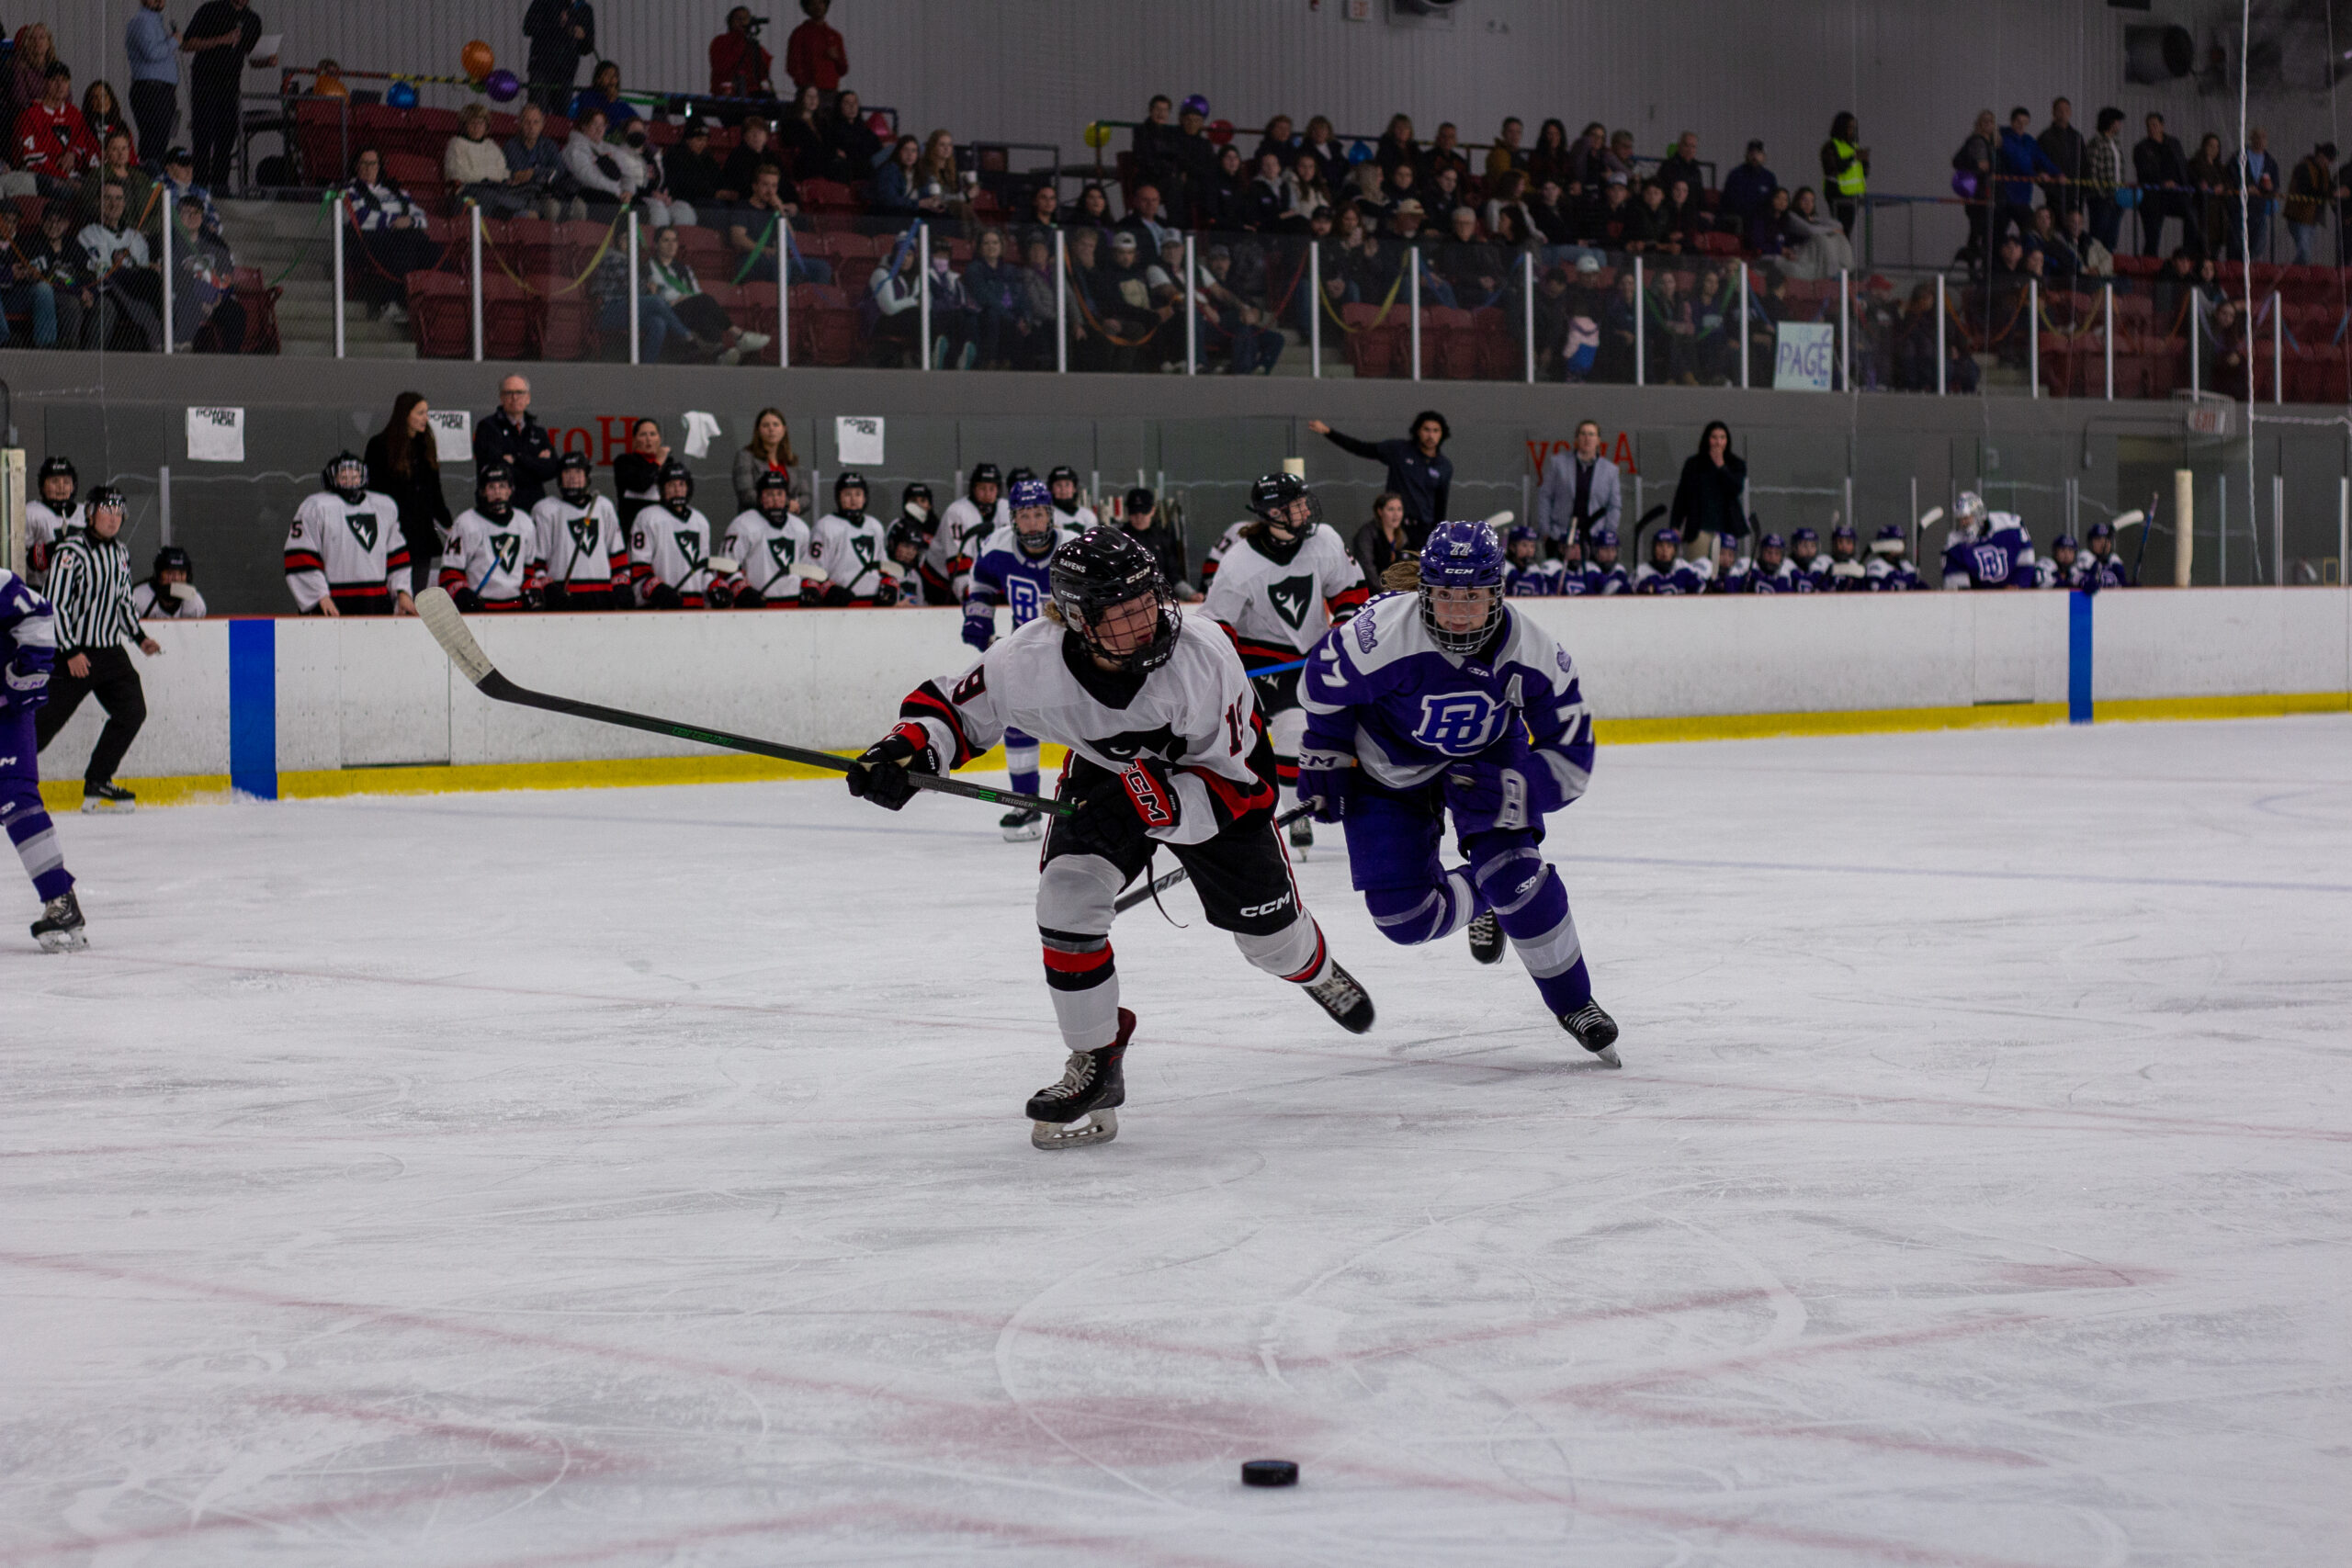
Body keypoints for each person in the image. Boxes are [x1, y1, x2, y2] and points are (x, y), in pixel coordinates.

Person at [846, 525, 1374, 1151]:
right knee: (1066, 900)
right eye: (1122, 613)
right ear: (1078, 619)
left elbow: (1248, 784)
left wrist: (1165, 805)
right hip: (1109, 777)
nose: (1146, 621)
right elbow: (956, 710)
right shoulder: (1029, 660)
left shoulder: (1204, 657)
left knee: (1272, 944)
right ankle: (1096, 1059)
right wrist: (906, 748)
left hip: (1211, 791)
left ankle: (1315, 970)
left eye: (1148, 599)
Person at [1296, 516, 1614, 1056]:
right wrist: (1328, 752)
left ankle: (1573, 1001)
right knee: (1403, 919)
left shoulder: (1534, 651)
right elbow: (1323, 682)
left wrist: (1517, 788)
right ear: (1425, 591)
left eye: (1473, 595)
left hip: (1487, 760)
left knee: (1517, 877)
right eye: (1445, 595)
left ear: (1497, 594)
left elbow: (1572, 756)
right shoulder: (1381, 634)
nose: (1460, 610)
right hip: (1385, 768)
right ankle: (1480, 901)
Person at [1204, 473, 1369, 854]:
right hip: (1259, 663)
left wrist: (1340, 635)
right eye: (1296, 504)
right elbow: (1218, 624)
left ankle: (1295, 815)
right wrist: (1226, 668)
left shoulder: (1325, 540)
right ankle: (1240, 816)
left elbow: (1349, 591)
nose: (1306, 509)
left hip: (1309, 657)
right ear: (1274, 513)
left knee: (1297, 733)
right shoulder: (1239, 561)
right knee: (1242, 745)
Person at [960, 477, 1080, 840]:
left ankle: (1096, 797)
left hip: (1073, 651)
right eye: (1024, 515)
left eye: (1039, 514)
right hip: (1026, 651)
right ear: (1013, 519)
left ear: (1051, 515)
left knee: (1090, 721)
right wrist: (978, 617)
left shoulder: (1074, 546)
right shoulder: (996, 547)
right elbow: (980, 580)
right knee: (1016, 720)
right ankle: (1027, 804)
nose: (1032, 522)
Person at [36, 487, 161, 814]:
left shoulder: (120, 552)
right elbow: (55, 605)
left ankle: (98, 780)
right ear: (90, 514)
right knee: (41, 725)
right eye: (108, 511)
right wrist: (71, 650)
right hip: (72, 655)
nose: (114, 519)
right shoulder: (70, 551)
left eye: (119, 513)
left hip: (110, 653)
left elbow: (122, 601)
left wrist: (139, 637)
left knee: (132, 712)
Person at [2, 563, 87, 949]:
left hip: (5, 713)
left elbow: (37, 611)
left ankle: (60, 899)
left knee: (15, 798)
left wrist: (26, 675)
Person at [286, 453, 413, 616]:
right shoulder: (315, 507)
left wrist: (402, 592)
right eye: (344, 476)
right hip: (333, 602)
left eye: (355, 476)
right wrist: (319, 597)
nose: (350, 480)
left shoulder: (383, 506)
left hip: (375, 601)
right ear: (331, 479)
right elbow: (301, 555)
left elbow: (397, 556)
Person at [179, 0, 272, 192]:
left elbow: (252, 59)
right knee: (204, 136)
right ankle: (199, 187)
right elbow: (187, 44)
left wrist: (267, 61)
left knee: (227, 137)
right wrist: (220, 40)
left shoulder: (252, 19)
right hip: (205, 81)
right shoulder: (210, 10)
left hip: (231, 84)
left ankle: (221, 187)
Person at [362, 393, 450, 594]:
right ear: (405, 414)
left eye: (426, 413)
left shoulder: (426, 444)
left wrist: (447, 522)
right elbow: (373, 491)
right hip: (392, 528)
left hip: (421, 531)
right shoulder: (379, 446)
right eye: (420, 413)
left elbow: (435, 490)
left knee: (418, 589)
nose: (425, 418)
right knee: (392, 588)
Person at [1306, 412, 1451, 528]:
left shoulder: (1444, 466)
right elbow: (1361, 448)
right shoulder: (1399, 450)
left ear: (1442, 434)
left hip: (1424, 529)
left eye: (1436, 431)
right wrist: (1329, 432)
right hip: (1396, 526)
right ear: (1418, 431)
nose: (1431, 435)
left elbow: (1440, 504)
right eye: (1426, 429)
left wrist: (1438, 534)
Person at [529, 451, 630, 609]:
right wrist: (547, 586)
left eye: (578, 471)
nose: (573, 477)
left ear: (587, 476)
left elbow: (617, 554)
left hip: (602, 594)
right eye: (567, 472)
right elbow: (537, 561)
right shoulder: (546, 509)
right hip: (564, 595)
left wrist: (621, 583)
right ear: (560, 478)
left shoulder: (604, 506)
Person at [342, 149, 433, 324]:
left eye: (373, 164)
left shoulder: (398, 192)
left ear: (379, 166)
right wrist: (394, 220)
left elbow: (422, 219)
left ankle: (432, 308)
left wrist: (410, 222)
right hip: (368, 242)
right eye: (364, 164)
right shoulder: (349, 191)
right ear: (356, 166)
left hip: (404, 237)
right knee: (402, 246)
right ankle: (392, 303)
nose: (369, 168)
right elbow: (361, 218)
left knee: (432, 249)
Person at [78, 179, 164, 352]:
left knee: (157, 281)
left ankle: (167, 341)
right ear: (98, 202)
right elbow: (104, 272)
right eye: (107, 198)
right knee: (150, 279)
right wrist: (144, 271)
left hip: (137, 295)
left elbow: (144, 273)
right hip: (108, 291)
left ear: (124, 203)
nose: (113, 204)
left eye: (118, 198)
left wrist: (147, 270)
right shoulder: (88, 233)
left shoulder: (136, 236)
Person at [438, 463, 537, 612]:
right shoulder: (466, 523)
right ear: (482, 491)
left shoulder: (524, 521)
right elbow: (449, 573)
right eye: (491, 487)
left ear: (510, 490)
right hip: (481, 611)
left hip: (518, 612)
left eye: (502, 486)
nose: (497, 492)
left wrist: (533, 589)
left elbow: (529, 570)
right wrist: (462, 594)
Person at [719, 466, 815, 609]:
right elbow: (725, 566)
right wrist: (744, 591)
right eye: (769, 494)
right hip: (757, 608)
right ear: (760, 497)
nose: (776, 500)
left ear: (787, 497)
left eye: (780, 494)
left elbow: (806, 566)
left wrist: (809, 587)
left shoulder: (800, 528)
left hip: (794, 608)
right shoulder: (743, 525)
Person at [627, 457, 717, 609]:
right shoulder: (647, 517)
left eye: (681, 484)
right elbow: (638, 569)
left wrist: (713, 588)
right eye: (671, 485)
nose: (677, 490)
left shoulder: (700, 521)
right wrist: (657, 590)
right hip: (659, 610)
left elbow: (704, 570)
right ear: (662, 489)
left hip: (695, 609)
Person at [808, 470, 897, 607]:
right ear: (838, 497)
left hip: (873, 605)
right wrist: (829, 589)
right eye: (847, 494)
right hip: (840, 608)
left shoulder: (875, 526)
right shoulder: (825, 526)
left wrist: (889, 583)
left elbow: (882, 564)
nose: (853, 500)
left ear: (865, 497)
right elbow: (812, 569)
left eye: (858, 494)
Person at [165, 192, 242, 351]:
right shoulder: (169, 241)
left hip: (213, 298)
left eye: (197, 213)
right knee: (187, 301)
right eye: (187, 213)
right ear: (177, 217)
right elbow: (174, 276)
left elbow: (227, 274)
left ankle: (231, 357)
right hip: (182, 298)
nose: (193, 217)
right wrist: (202, 298)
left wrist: (216, 298)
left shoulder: (216, 243)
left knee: (235, 311)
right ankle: (182, 345)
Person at [922, 462, 1006, 604]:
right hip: (940, 583)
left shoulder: (1006, 509)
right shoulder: (957, 512)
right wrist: (969, 595)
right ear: (973, 489)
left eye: (992, 488)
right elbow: (957, 560)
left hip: (977, 578)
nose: (987, 494)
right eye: (982, 488)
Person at [475, 377, 563, 511]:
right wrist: (535, 463)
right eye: (509, 393)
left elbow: (551, 469)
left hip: (534, 508)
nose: (514, 397)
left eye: (519, 393)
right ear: (501, 398)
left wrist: (517, 458)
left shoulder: (537, 431)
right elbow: (496, 469)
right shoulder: (487, 428)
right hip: (499, 509)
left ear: (528, 398)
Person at [1535, 420, 1622, 554]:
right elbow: (1545, 497)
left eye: (1592, 434)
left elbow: (1614, 506)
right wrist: (1546, 530)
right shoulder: (1558, 464)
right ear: (1576, 438)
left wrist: (1607, 534)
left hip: (1594, 538)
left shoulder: (1610, 470)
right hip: (1560, 535)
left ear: (1598, 440)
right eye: (1583, 434)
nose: (1587, 439)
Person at [15, 62, 102, 193]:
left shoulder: (74, 113)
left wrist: (73, 153)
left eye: (64, 80)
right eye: (54, 80)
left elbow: (86, 144)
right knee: (71, 193)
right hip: (41, 177)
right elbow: (33, 160)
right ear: (45, 83)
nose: (60, 85)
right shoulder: (30, 114)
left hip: (75, 177)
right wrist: (65, 179)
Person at [1668, 422, 1748, 551]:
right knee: (1700, 566)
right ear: (1707, 439)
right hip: (1699, 530)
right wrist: (1675, 525)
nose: (1718, 442)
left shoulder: (1735, 464)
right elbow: (1682, 496)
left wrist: (1722, 466)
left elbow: (1736, 488)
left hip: (1726, 530)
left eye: (1722, 438)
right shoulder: (1694, 464)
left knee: (1722, 569)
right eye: (1714, 437)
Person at [503, 103, 582, 223]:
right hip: (528, 195)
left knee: (580, 206)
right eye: (527, 122)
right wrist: (546, 173)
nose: (531, 127)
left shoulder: (549, 145)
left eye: (536, 122)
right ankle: (548, 241)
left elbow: (559, 171)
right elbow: (518, 175)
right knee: (552, 207)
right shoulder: (511, 146)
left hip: (553, 191)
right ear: (520, 124)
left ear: (542, 125)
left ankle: (577, 242)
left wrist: (534, 172)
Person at [1940, 491, 2038, 590]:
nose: (1963, 523)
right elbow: (1958, 585)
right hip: (1979, 600)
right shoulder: (1954, 543)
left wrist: (2019, 584)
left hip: (2015, 596)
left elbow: (2026, 558)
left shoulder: (2010, 526)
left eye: (1966, 518)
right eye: (1960, 519)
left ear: (1978, 514)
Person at [447, 104, 528, 219]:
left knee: (518, 194)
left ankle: (518, 216)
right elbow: (459, 174)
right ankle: (515, 215)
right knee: (491, 197)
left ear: (486, 125)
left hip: (495, 188)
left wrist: (490, 178)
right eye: (472, 123)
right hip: (468, 193)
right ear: (464, 125)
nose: (477, 127)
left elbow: (503, 172)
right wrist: (488, 178)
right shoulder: (456, 144)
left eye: (480, 123)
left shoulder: (491, 146)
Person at [126, 0, 181, 163]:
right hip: (152, 90)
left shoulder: (155, 21)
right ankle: (151, 183)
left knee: (159, 144)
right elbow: (151, 53)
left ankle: (155, 183)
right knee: (153, 145)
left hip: (160, 90)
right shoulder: (143, 21)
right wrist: (174, 41)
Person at [2132, 113, 2195, 258]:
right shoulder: (2141, 148)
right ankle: (2150, 263)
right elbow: (2143, 172)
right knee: (2152, 235)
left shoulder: (2174, 144)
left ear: (2162, 126)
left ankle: (2187, 257)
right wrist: (2162, 182)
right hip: (2153, 196)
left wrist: (2190, 183)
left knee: (2192, 216)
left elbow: (2183, 166)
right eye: (2148, 126)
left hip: (2175, 193)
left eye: (2154, 125)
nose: (2151, 128)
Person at [1116, 488, 1193, 600]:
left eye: (1144, 512)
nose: (1139, 517)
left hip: (1160, 597)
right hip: (1129, 598)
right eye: (1134, 512)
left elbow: (1173, 575)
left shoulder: (1162, 538)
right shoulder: (1119, 539)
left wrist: (1190, 594)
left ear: (1152, 510)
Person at [522, 0, 595, 114]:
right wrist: (557, 23)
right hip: (542, 66)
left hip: (566, 71)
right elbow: (528, 27)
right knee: (538, 109)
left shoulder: (584, 9)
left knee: (562, 115)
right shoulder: (543, 3)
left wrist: (583, 36)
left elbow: (587, 48)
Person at [24, 458, 84, 593]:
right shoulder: (31, 512)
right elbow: (15, 560)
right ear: (42, 486)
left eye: (66, 482)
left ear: (74, 486)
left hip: (78, 593)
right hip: (41, 592)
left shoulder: (85, 514)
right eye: (54, 481)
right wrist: (39, 556)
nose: (61, 487)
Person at [733, 409, 800, 514]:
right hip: (755, 521)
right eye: (765, 425)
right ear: (758, 431)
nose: (771, 429)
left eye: (776, 424)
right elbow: (746, 494)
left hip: (787, 523)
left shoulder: (791, 459)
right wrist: (784, 503)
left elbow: (806, 495)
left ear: (784, 429)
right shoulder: (745, 456)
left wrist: (796, 505)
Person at [1781, 186, 1854, 280]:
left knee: (1839, 237)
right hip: (1799, 251)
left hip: (1813, 252)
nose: (1808, 204)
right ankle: (1832, 273)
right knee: (1821, 238)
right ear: (1797, 201)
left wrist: (1814, 219)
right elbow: (1810, 230)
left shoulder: (1812, 218)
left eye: (1811, 201)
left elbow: (1839, 225)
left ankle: (1847, 269)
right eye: (1804, 200)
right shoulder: (1791, 216)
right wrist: (1831, 230)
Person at [2084, 108, 2128, 260]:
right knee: (2098, 236)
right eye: (2118, 122)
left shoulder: (2116, 143)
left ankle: (2106, 269)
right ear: (2111, 122)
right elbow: (2092, 171)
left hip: (2116, 198)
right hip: (2101, 198)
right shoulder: (2097, 142)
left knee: (2111, 238)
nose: (2120, 125)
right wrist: (2102, 194)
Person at [2285, 143, 2339, 267]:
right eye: (2328, 160)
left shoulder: (2324, 171)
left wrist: (2334, 191)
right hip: (2298, 216)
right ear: (2321, 156)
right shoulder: (2304, 167)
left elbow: (2328, 187)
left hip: (2311, 218)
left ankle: (2295, 274)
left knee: (2305, 252)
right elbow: (2307, 189)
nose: (2329, 163)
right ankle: (2291, 274)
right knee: (2304, 253)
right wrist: (2327, 194)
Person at [613, 416, 670, 530]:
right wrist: (657, 463)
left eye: (653, 434)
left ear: (659, 439)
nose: (648, 439)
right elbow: (640, 484)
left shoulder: (668, 465)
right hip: (632, 528)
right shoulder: (624, 462)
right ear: (634, 440)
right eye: (643, 435)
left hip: (662, 528)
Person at [709, 7, 775, 102]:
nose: (742, 22)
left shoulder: (751, 43)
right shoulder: (721, 41)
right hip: (728, 94)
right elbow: (721, 66)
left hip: (753, 94)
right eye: (738, 19)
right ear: (730, 21)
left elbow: (763, 69)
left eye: (745, 19)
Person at [1819, 111, 1867, 237]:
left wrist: (1865, 161)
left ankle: (1843, 253)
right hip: (1838, 193)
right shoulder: (1831, 146)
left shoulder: (1854, 146)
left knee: (1847, 231)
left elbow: (1863, 173)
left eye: (1854, 127)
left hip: (1854, 195)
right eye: (1850, 127)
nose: (1853, 131)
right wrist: (1853, 158)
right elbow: (1833, 169)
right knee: (1839, 230)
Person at [786, 0, 848, 94]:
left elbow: (843, 69)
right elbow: (792, 66)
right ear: (807, 7)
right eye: (813, 3)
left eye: (821, 3)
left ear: (826, 5)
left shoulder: (834, 36)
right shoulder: (799, 34)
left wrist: (837, 58)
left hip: (831, 91)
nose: (817, 7)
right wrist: (804, 85)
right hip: (808, 91)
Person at [2039, 98, 2086, 220]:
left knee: (2074, 227)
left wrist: (2084, 188)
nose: (2063, 113)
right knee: (2056, 225)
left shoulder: (2077, 137)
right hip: (2054, 192)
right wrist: (2048, 185)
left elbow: (2085, 163)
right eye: (2059, 110)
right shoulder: (2046, 137)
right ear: (2053, 112)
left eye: (2066, 110)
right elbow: (2038, 163)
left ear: (2070, 112)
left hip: (2075, 191)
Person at [1719, 141, 1778, 234]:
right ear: (1747, 155)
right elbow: (1729, 201)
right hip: (1741, 218)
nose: (1755, 156)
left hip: (1762, 219)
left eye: (1758, 153)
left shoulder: (1769, 178)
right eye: (1752, 153)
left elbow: (1774, 201)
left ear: (1764, 156)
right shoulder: (1736, 175)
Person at [132, 546, 206, 620]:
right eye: (170, 573)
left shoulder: (194, 602)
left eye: (181, 573)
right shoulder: (137, 597)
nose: (176, 579)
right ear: (158, 575)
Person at [566, 60, 639, 134]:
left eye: (615, 76)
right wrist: (611, 102)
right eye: (608, 75)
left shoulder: (619, 102)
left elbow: (635, 119)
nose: (612, 80)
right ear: (598, 79)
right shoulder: (587, 96)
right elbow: (597, 122)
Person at [1633, 526, 1701, 593]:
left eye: (1669, 546)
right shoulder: (1642, 571)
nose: (1665, 550)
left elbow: (1700, 587)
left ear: (1674, 550)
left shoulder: (1683, 567)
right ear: (1653, 549)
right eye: (1660, 545)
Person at [1502, 525, 1565, 597]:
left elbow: (1545, 597)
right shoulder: (1504, 570)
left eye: (1532, 546)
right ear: (1512, 547)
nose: (1529, 550)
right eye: (1524, 545)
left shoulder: (1535, 571)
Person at [1866, 525, 1921, 591]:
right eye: (1898, 544)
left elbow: (1920, 588)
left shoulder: (1906, 565)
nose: (1902, 549)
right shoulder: (1876, 566)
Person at [2082, 518, 2134, 590]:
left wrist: (2131, 587)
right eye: (2098, 539)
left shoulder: (2114, 561)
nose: (2103, 543)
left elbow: (2122, 585)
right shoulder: (2085, 558)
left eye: (2106, 539)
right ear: (2090, 543)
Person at [1045, 467, 1097, 532]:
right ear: (1051, 489)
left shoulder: (1088, 516)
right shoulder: (1046, 515)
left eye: (1067, 484)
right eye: (1058, 485)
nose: (1063, 489)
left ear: (1074, 489)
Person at [1580, 525, 1629, 594]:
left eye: (1613, 549)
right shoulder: (1588, 569)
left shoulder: (1619, 570)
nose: (1610, 554)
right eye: (1605, 549)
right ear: (1595, 551)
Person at [1823, 523, 1868, 591]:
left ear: (1854, 545)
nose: (1844, 546)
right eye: (1840, 542)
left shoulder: (1856, 566)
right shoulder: (1824, 562)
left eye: (1848, 542)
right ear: (1834, 544)